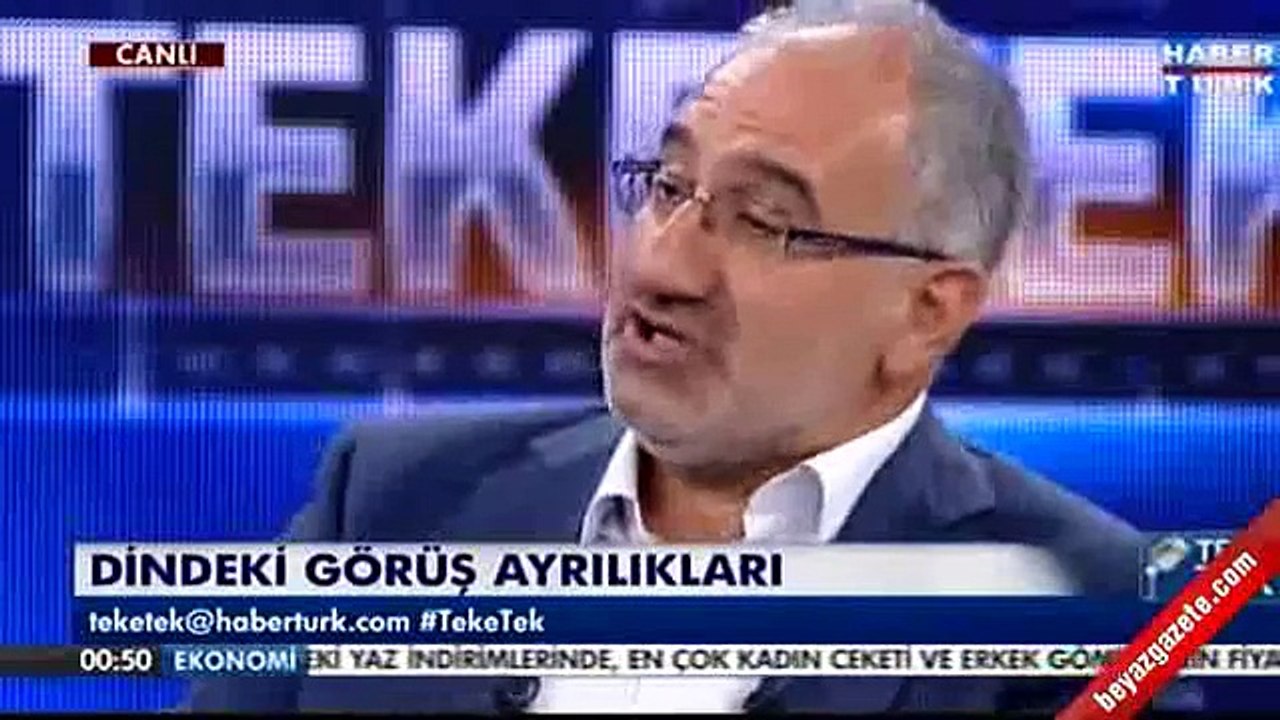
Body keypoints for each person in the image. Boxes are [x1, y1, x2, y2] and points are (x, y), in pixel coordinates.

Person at [188, 0, 1200, 712]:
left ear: (925, 313)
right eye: (668, 187)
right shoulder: (391, 501)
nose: (661, 266)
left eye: (764, 221)